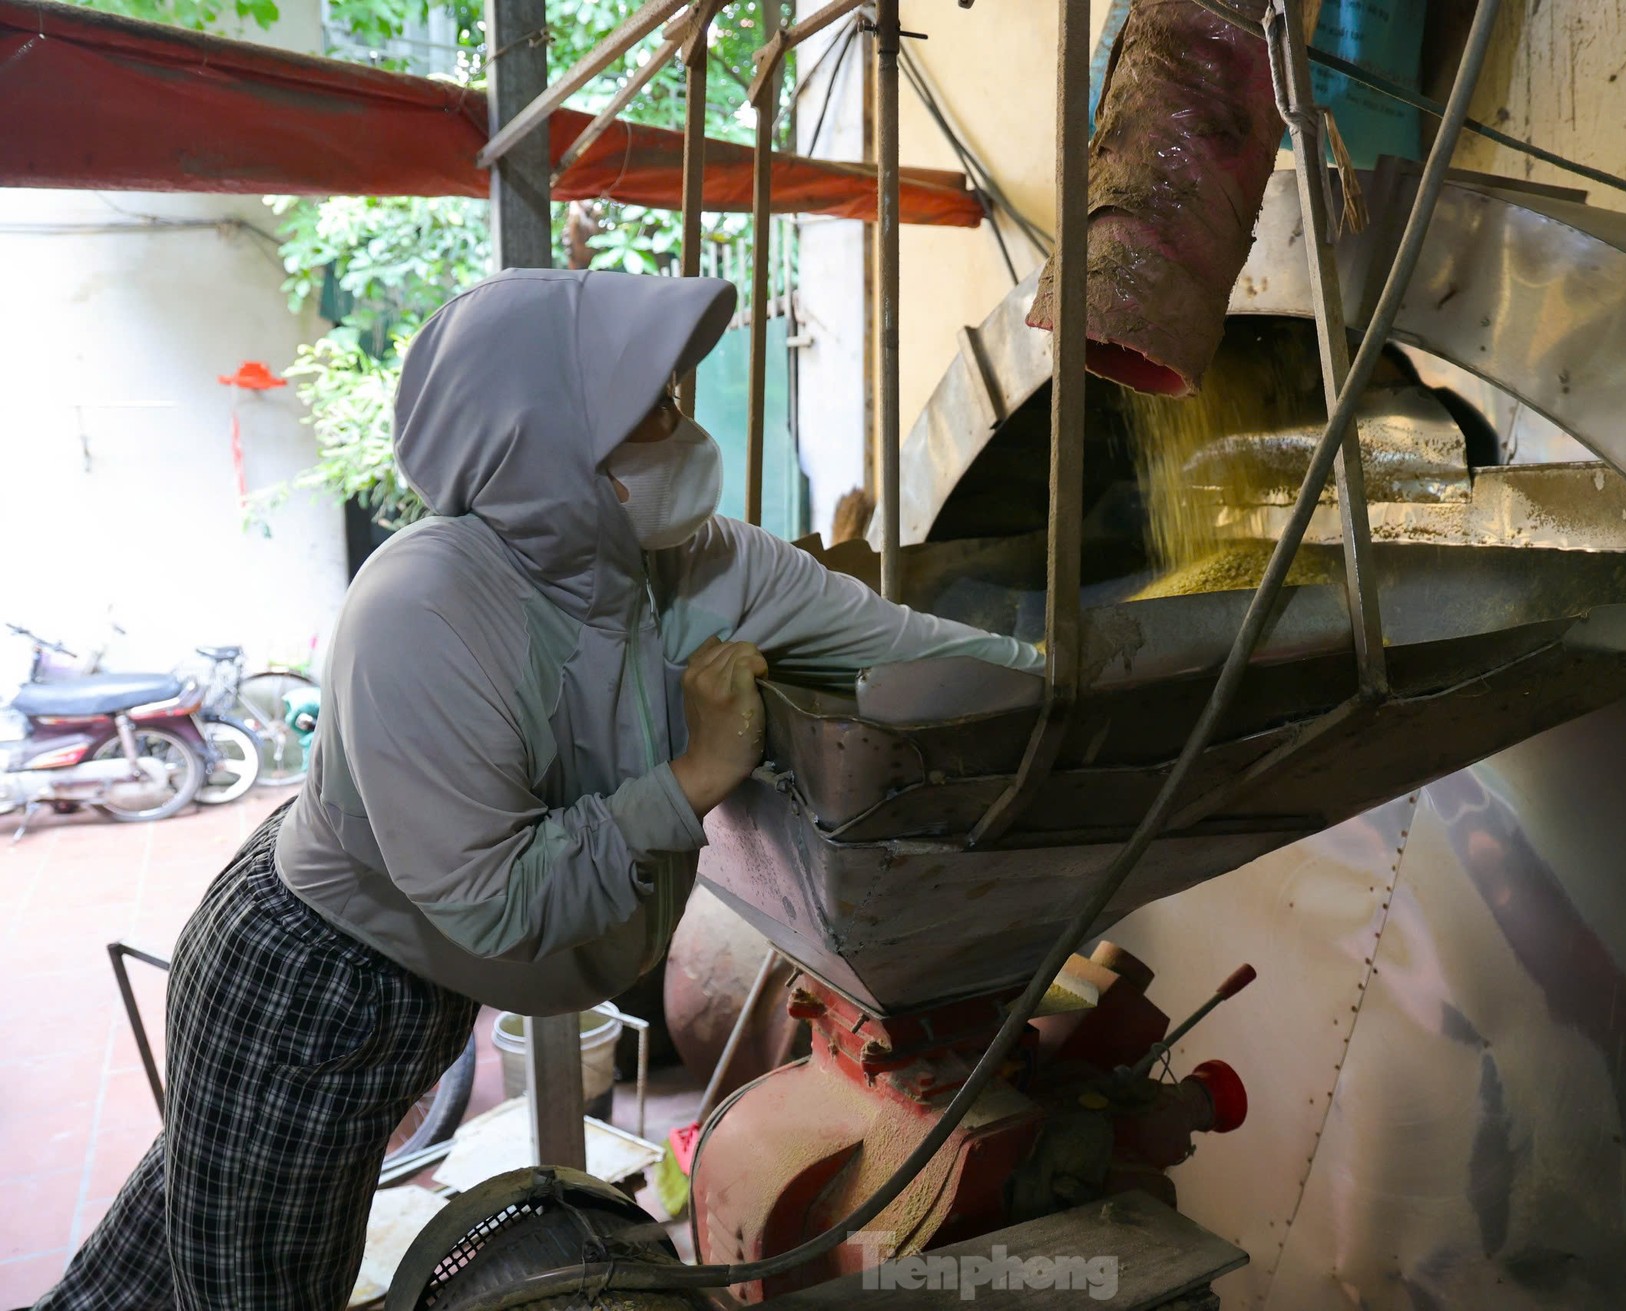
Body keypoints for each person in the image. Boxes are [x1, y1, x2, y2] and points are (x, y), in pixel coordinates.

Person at [38, 270, 1041, 1310]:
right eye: (649, 407)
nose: (682, 428)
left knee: (171, 1250)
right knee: (253, 1293)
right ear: (539, 433)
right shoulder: (426, 603)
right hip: (311, 980)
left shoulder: (698, 566)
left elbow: (915, 651)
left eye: (678, 398)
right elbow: (496, 898)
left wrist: (1071, 672)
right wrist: (693, 776)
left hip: (414, 981)